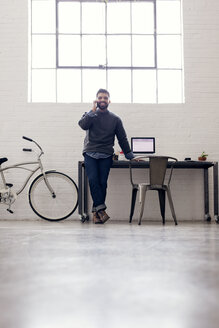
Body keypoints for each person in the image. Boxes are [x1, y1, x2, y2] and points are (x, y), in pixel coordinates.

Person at [78, 88, 135, 224]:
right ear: (96, 100)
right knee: (93, 180)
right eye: (100, 98)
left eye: (105, 98)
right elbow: (82, 125)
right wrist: (92, 111)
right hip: (90, 152)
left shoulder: (115, 119)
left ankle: (96, 213)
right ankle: (101, 210)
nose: (102, 100)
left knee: (102, 183)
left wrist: (130, 155)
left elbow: (122, 138)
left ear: (109, 101)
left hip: (106, 154)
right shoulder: (90, 115)